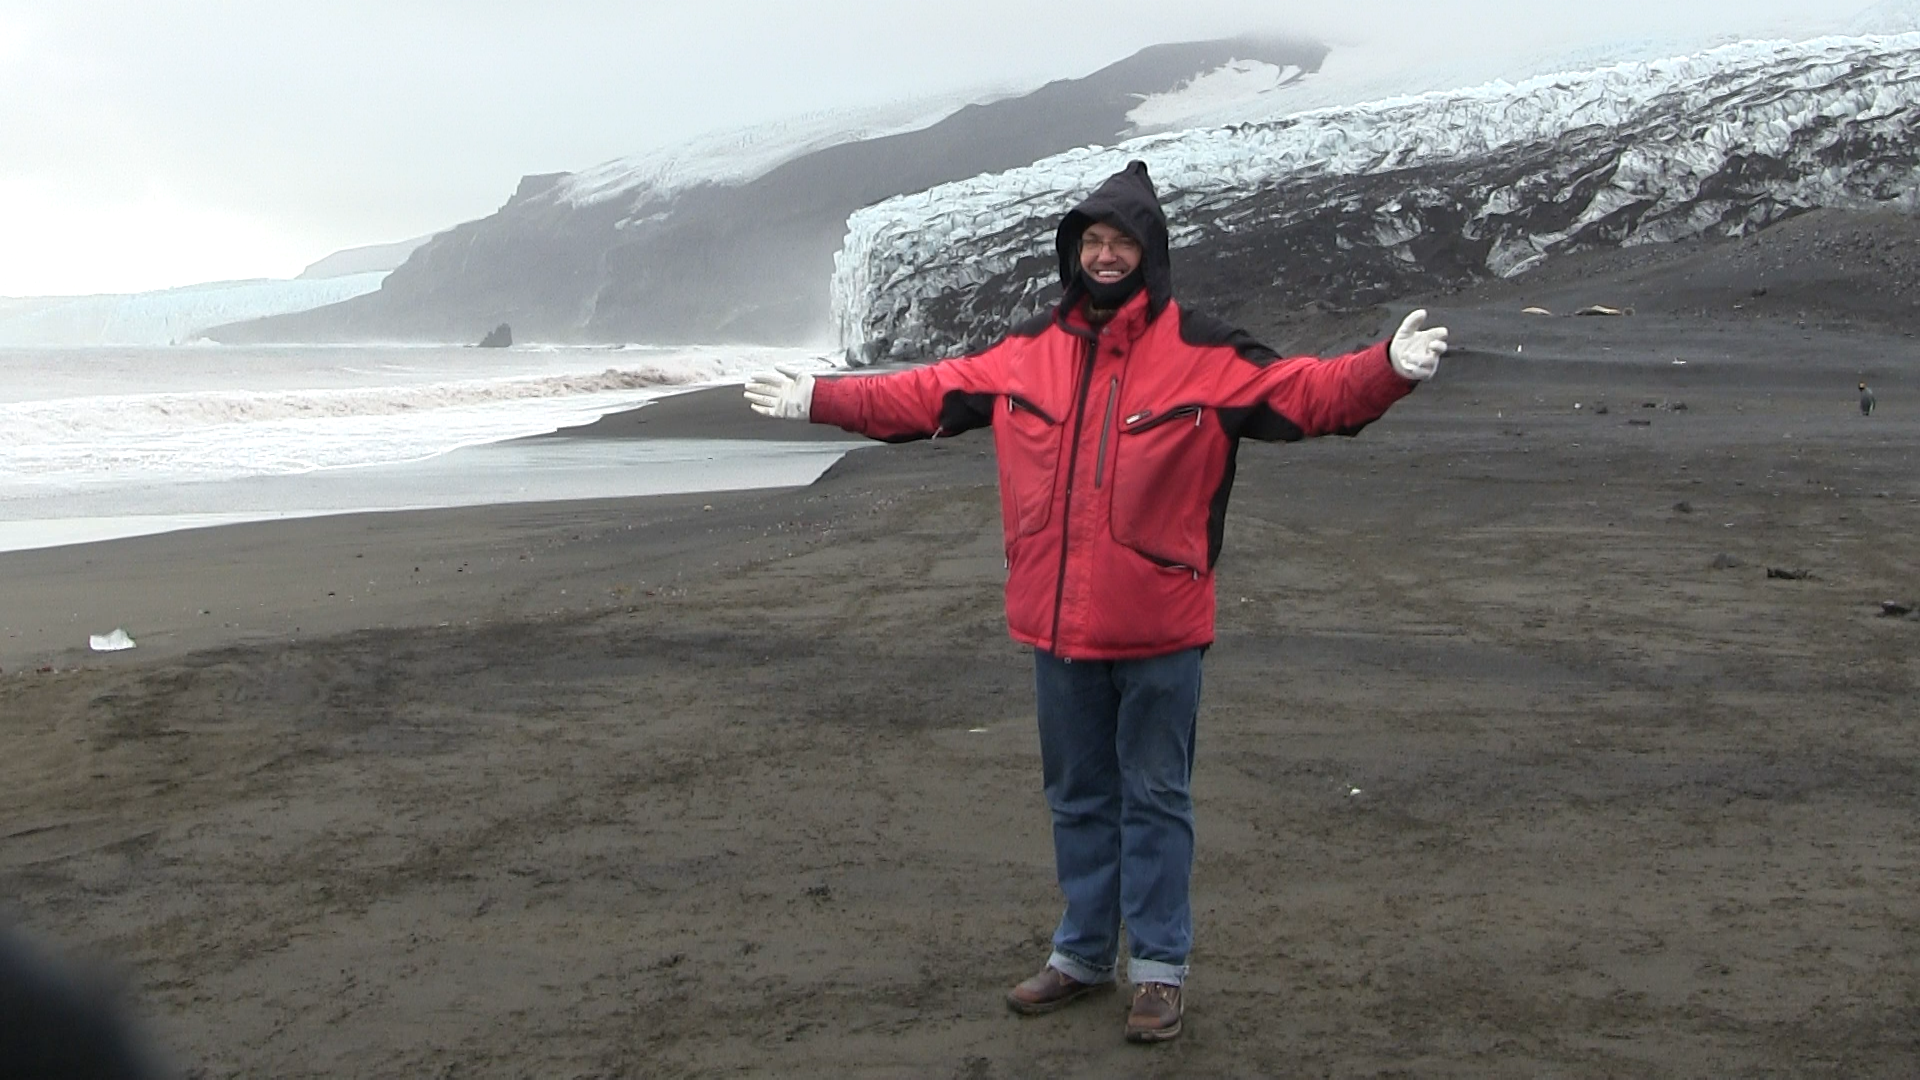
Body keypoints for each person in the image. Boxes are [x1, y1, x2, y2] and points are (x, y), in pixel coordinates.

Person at [744, 160, 1446, 1044]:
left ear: (1150, 253)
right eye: (1092, 242)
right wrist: (819, 398)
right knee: (1077, 798)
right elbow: (921, 395)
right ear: (1073, 253)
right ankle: (1081, 954)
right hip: (1059, 629)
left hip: (1159, 630)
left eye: (1122, 242)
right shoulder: (1027, 351)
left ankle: (1158, 971)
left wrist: (1385, 370)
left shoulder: (1205, 352)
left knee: (1155, 799)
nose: (1105, 255)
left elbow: (1304, 394)